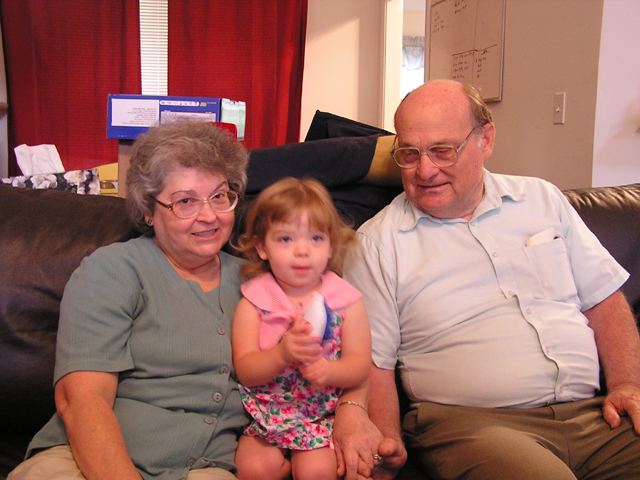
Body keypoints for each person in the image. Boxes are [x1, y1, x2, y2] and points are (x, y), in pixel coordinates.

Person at [339, 79, 640, 480]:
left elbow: (603, 298)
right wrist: (388, 442)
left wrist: (627, 385)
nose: (425, 170)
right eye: (409, 154)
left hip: (595, 418)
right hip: (473, 426)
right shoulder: (377, 243)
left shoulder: (542, 199)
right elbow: (373, 360)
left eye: (443, 151)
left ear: (486, 140)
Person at [8, 119, 251, 480]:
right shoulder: (113, 270)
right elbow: (83, 399)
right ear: (149, 211)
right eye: (185, 201)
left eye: (219, 196)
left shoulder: (257, 282)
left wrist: (342, 409)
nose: (209, 215)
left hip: (201, 469)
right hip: (82, 461)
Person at [231, 177, 372, 480]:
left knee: (316, 472)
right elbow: (245, 370)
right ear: (262, 247)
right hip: (266, 414)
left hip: (319, 416)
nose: (302, 251)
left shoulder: (346, 301)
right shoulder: (255, 301)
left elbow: (360, 365)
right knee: (251, 469)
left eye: (316, 238)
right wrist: (281, 355)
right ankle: (282, 468)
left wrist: (330, 371)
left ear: (331, 246)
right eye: (286, 239)